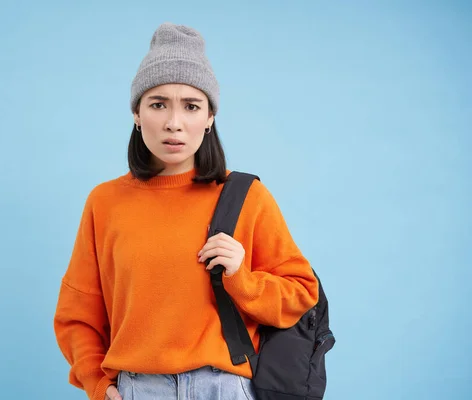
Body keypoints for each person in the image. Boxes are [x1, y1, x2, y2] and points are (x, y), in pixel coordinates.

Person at [53, 22, 319, 400]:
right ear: (136, 113)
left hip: (224, 387)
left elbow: (301, 294)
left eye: (191, 106)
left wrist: (241, 278)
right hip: (138, 388)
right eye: (158, 104)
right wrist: (99, 385)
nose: (173, 123)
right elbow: (77, 313)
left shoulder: (246, 197)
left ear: (209, 117)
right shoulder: (105, 202)